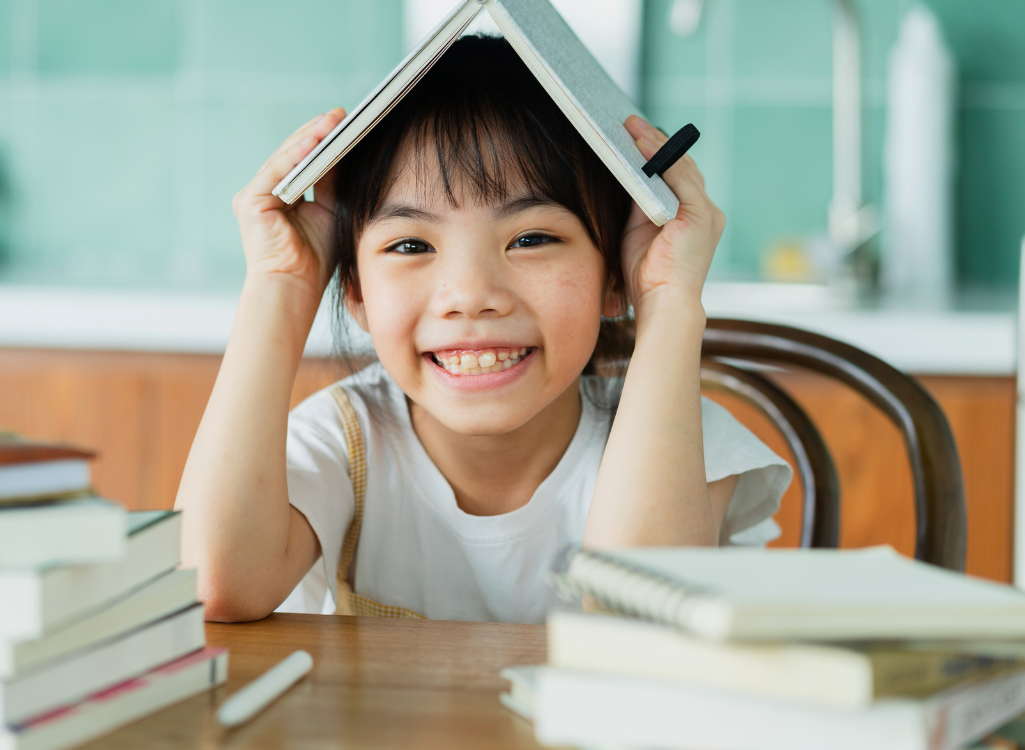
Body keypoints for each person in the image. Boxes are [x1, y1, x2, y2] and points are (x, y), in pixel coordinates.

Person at [175, 36, 791, 624]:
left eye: (531, 238)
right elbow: (210, 586)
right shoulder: (344, 441)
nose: (470, 296)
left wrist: (668, 300)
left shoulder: (684, 443)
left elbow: (640, 611)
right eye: (411, 244)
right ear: (355, 289)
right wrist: (280, 284)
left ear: (613, 278)